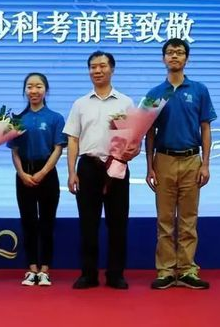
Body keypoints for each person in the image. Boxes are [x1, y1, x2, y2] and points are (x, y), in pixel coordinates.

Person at [146, 38, 216, 290]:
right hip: (163, 160)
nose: (174, 56)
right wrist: (149, 167)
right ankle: (165, 270)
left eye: (179, 52)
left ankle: (187, 270)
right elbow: (149, 132)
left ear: (187, 58)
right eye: (169, 52)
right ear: (163, 58)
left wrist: (205, 164)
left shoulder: (199, 90)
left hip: (191, 161)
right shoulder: (155, 93)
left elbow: (205, 128)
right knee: (164, 220)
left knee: (188, 219)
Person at [64, 51, 137, 290]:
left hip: (117, 166)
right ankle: (88, 274)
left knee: (118, 223)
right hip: (88, 167)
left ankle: (116, 275)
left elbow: (134, 138)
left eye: (102, 66)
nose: (97, 70)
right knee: (88, 224)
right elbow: (73, 139)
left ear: (112, 69)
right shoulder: (80, 103)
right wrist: (72, 172)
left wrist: (132, 152)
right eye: (93, 67)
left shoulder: (125, 102)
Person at [8, 73, 66, 286]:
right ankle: (31, 269)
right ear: (25, 90)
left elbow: (58, 148)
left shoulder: (55, 118)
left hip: (47, 174)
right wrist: (22, 173)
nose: (34, 91)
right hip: (23, 174)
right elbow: (14, 151)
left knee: (47, 223)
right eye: (30, 86)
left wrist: (43, 172)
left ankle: (45, 270)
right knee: (28, 222)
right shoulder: (17, 119)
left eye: (38, 86)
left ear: (46, 90)